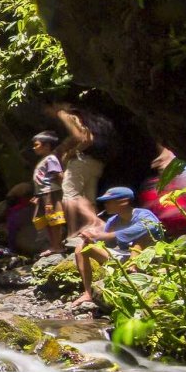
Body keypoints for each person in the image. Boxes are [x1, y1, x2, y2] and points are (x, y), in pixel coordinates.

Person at [73, 186, 162, 306]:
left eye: (109, 202)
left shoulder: (144, 214)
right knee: (81, 248)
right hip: (123, 258)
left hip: (149, 258)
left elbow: (151, 227)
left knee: (141, 236)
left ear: (124, 201)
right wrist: (90, 238)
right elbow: (108, 244)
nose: (106, 205)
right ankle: (88, 292)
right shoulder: (113, 221)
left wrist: (106, 235)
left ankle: (133, 268)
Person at [50, 102, 115, 236]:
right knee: (88, 198)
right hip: (97, 162)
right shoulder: (85, 116)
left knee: (70, 196)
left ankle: (76, 232)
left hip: (81, 160)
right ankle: (95, 232)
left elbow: (81, 137)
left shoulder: (64, 114)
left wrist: (69, 154)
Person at [31, 131, 67, 256]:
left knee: (54, 219)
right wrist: (37, 195)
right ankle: (53, 245)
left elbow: (58, 175)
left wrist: (50, 199)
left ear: (46, 146)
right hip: (43, 194)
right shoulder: (45, 160)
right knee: (46, 220)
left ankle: (57, 246)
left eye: (36, 145)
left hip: (50, 193)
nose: (34, 148)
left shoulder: (51, 159)